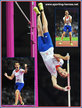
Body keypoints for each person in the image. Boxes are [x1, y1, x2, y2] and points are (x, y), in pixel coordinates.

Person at [33, 3, 70, 91]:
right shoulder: (61, 62)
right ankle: (42, 11)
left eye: (62, 75)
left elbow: (54, 84)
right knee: (45, 28)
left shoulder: (54, 73)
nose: (62, 74)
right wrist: (64, 58)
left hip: (42, 50)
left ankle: (37, 14)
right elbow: (55, 55)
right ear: (64, 70)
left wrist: (63, 89)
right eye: (64, 73)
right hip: (49, 47)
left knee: (39, 30)